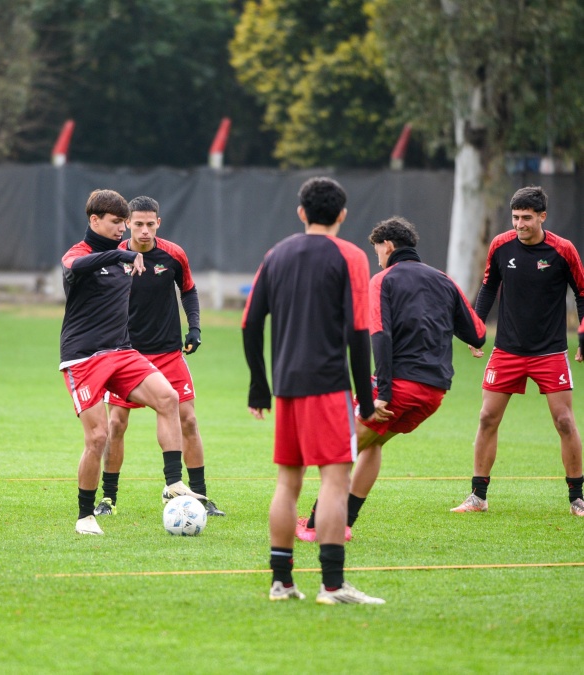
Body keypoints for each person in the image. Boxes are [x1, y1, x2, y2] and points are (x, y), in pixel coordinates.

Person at [297, 217, 487, 541]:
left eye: (377, 253)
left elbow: (380, 335)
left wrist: (381, 392)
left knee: (343, 447)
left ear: (387, 246)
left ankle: (317, 525)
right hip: (435, 391)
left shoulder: (383, 279)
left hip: (398, 385)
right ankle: (344, 524)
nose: (378, 259)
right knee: (374, 444)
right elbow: (478, 334)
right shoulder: (443, 279)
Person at [243, 176, 385, 605]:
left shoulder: (277, 254)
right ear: (342, 214)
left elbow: (251, 322)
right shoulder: (352, 256)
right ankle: (332, 585)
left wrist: (259, 385)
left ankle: (281, 581)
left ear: (301, 212)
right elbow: (359, 332)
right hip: (327, 387)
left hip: (287, 386)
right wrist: (365, 397)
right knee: (335, 482)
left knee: (288, 482)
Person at [60, 189, 202, 537]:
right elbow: (74, 267)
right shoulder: (80, 254)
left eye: (125, 223)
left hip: (123, 352)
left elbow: (185, 289)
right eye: (116, 223)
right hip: (84, 357)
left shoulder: (143, 256)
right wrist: (116, 257)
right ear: (94, 221)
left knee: (168, 398)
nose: (122, 230)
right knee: (99, 436)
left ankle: (173, 483)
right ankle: (85, 514)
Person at [452, 186, 584, 516]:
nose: (519, 224)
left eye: (526, 218)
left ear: (542, 216)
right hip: (507, 350)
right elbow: (487, 287)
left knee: (565, 422)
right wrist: (475, 327)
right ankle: (478, 498)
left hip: (550, 352)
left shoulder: (562, 250)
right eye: (515, 217)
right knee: (486, 418)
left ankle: (577, 498)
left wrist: (582, 337)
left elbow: (582, 293)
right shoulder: (500, 246)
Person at [97, 196, 225, 517]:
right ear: (127, 223)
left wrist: (194, 328)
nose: (143, 230)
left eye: (149, 224)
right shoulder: (113, 257)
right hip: (126, 355)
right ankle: (108, 498)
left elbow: (189, 290)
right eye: (137, 224)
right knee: (116, 423)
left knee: (189, 420)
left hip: (168, 353)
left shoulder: (173, 254)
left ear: (159, 224)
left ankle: (199, 497)